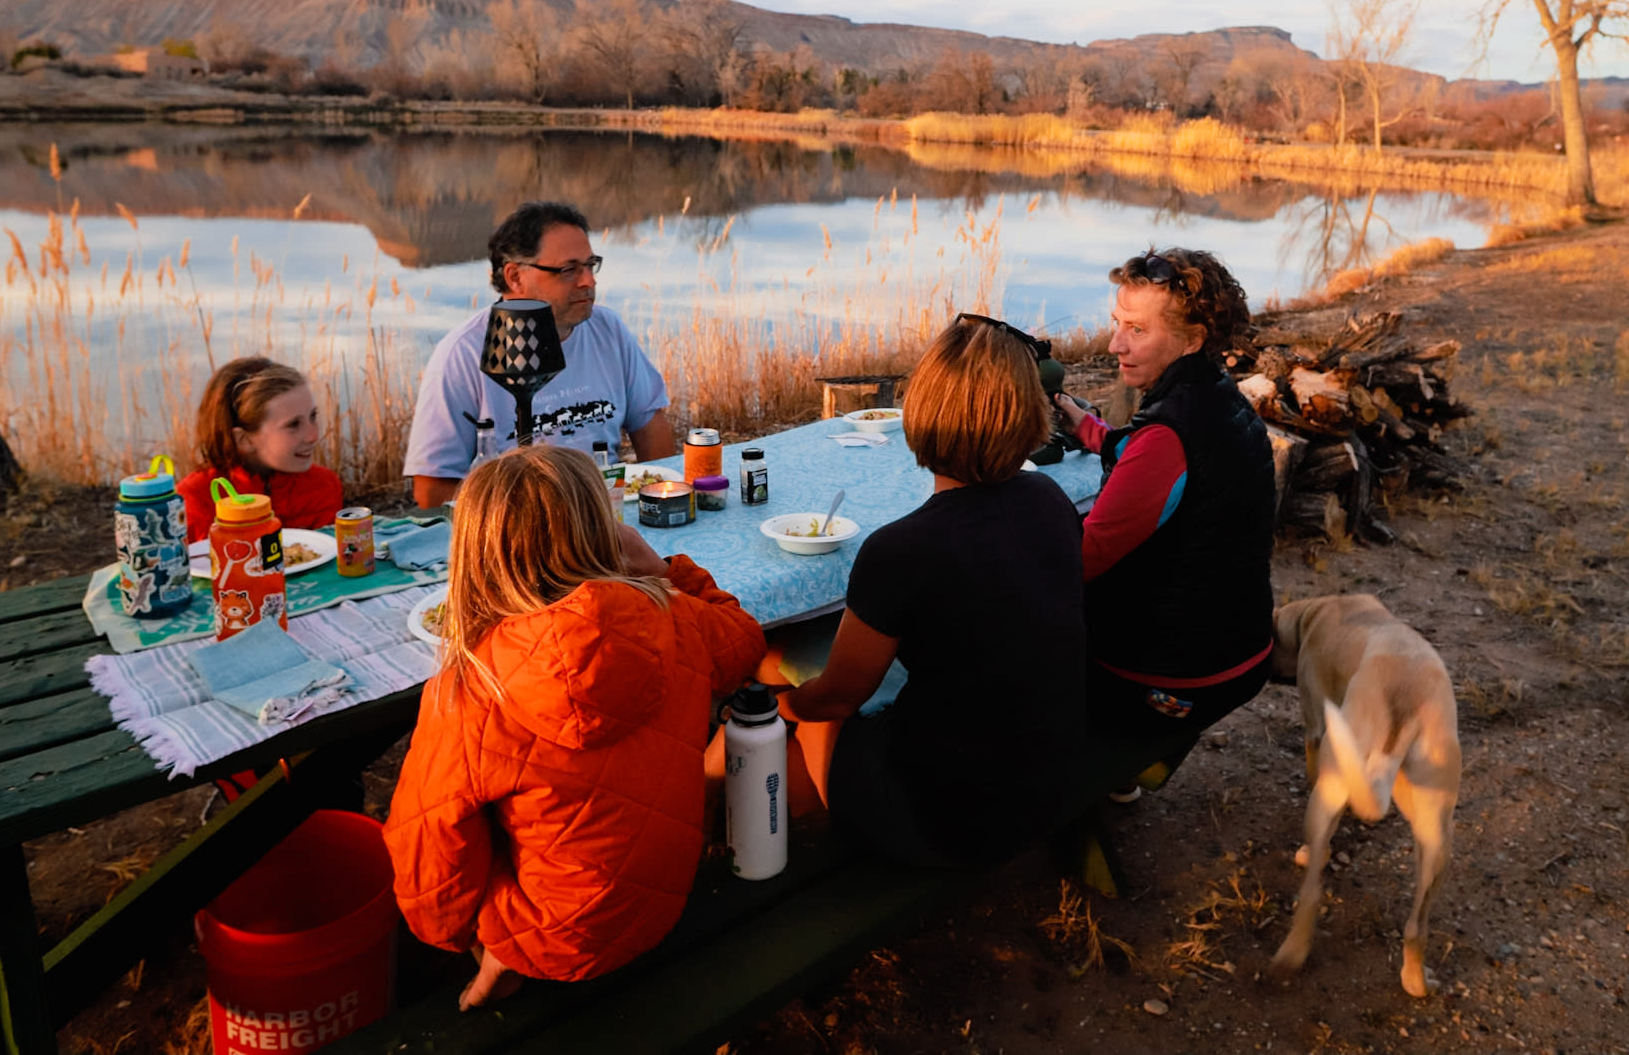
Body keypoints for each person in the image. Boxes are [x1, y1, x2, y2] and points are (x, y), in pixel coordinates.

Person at [383, 446, 766, 1007]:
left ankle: (504, 959)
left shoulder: (470, 687)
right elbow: (745, 640)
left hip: (544, 935)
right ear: (603, 534)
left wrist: (462, 935)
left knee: (461, 809)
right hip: (660, 902)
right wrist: (661, 570)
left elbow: (428, 852)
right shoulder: (674, 617)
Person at [778, 315, 1086, 867]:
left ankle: (764, 866)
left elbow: (838, 697)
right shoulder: (1051, 501)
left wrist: (776, 707)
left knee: (784, 698)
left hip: (948, 823)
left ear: (921, 411)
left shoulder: (902, 548)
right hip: (1049, 786)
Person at [1054, 248, 1273, 747]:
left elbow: (1080, 560)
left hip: (1178, 677)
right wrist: (1087, 426)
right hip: (1239, 647)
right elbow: (1150, 453)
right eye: (1117, 323)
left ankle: (1082, 778)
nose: (1115, 344)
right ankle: (1128, 756)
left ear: (1192, 338)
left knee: (1032, 633)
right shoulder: (1217, 396)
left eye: (1137, 330)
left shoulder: (1168, 436)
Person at [403, 201, 678, 508]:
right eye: (568, 270)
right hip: (513, 531)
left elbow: (650, 423)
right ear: (515, 277)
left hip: (607, 517)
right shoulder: (463, 355)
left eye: (590, 265)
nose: (589, 281)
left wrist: (658, 503)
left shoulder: (607, 330)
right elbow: (431, 491)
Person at [176, 356, 343, 542]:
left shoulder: (323, 487)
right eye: (293, 424)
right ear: (244, 440)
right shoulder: (194, 501)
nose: (313, 436)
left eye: (313, 416)